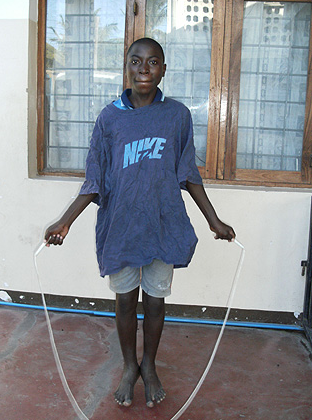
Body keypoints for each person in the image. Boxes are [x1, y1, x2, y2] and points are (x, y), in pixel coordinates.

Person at [44, 37, 235, 409]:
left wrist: (214, 220)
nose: (143, 69)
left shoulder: (176, 115)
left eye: (152, 62)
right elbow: (95, 178)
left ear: (163, 69)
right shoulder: (109, 117)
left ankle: (150, 365)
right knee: (126, 301)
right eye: (136, 61)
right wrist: (65, 222)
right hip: (122, 227)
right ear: (126, 67)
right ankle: (129, 366)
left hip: (163, 223)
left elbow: (188, 172)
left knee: (157, 300)